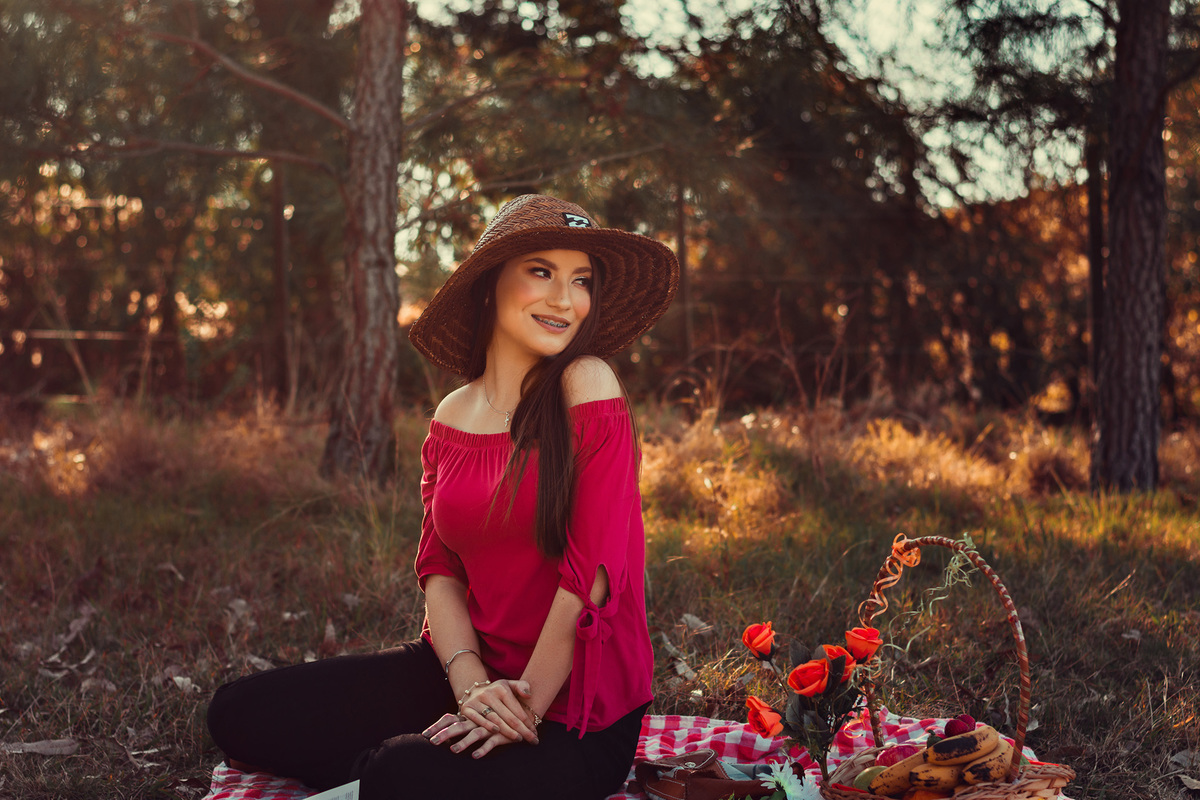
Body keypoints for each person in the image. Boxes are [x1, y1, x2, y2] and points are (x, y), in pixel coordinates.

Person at [206, 194, 680, 800]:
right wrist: (473, 689)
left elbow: (594, 576)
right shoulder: (452, 414)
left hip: (573, 711)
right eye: (541, 271)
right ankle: (394, 764)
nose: (565, 299)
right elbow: (440, 568)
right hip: (465, 672)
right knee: (238, 712)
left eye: (581, 280)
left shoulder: (587, 383)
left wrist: (521, 710)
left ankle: (389, 768)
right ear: (490, 285)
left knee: (399, 774)